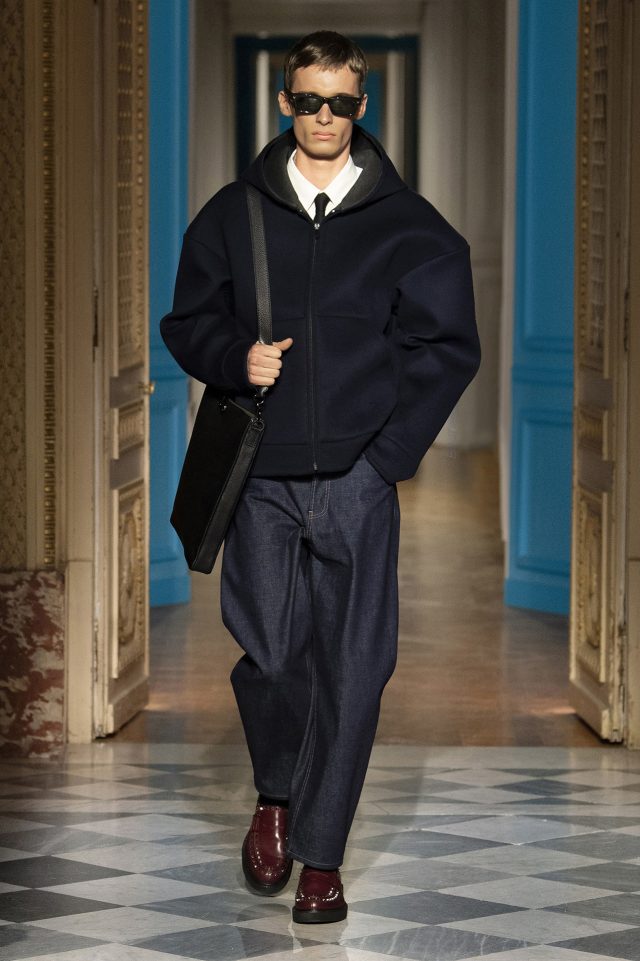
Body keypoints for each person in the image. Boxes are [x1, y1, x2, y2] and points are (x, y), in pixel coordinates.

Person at [160, 31, 480, 924]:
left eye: (341, 103)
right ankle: (275, 790)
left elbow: (448, 349)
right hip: (260, 475)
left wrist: (385, 461)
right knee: (269, 655)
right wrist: (236, 357)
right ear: (286, 102)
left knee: (354, 668)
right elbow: (185, 320)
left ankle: (322, 856)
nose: (325, 117)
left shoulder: (410, 225)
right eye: (310, 101)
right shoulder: (233, 214)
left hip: (356, 481)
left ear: (361, 105)